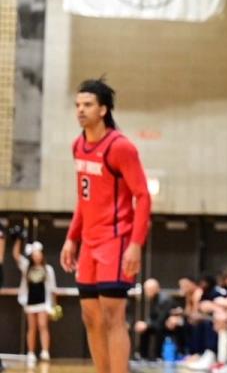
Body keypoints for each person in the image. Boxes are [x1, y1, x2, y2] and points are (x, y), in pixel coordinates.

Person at [60, 78, 151, 373]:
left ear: (103, 109)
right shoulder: (78, 146)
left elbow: (143, 196)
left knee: (113, 315)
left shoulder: (120, 147)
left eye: (87, 105)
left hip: (116, 240)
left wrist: (136, 244)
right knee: (90, 316)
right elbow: (83, 199)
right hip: (89, 242)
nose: (80, 110)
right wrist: (71, 238)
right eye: (77, 105)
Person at [14, 239, 57, 365]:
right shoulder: (26, 267)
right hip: (30, 302)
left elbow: (53, 289)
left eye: (39, 254)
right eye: (35, 254)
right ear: (32, 256)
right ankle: (31, 353)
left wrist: (55, 305)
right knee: (32, 328)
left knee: (43, 326)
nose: (37, 256)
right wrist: (18, 239)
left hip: (44, 303)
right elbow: (16, 255)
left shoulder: (48, 269)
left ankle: (45, 351)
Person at [134, 278, 176, 360]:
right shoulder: (155, 299)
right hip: (160, 323)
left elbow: (161, 319)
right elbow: (153, 317)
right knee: (144, 330)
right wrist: (145, 324)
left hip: (167, 325)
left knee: (157, 329)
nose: (147, 292)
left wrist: (147, 325)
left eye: (149, 289)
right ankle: (143, 355)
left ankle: (158, 355)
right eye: (146, 290)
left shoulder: (164, 300)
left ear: (156, 289)